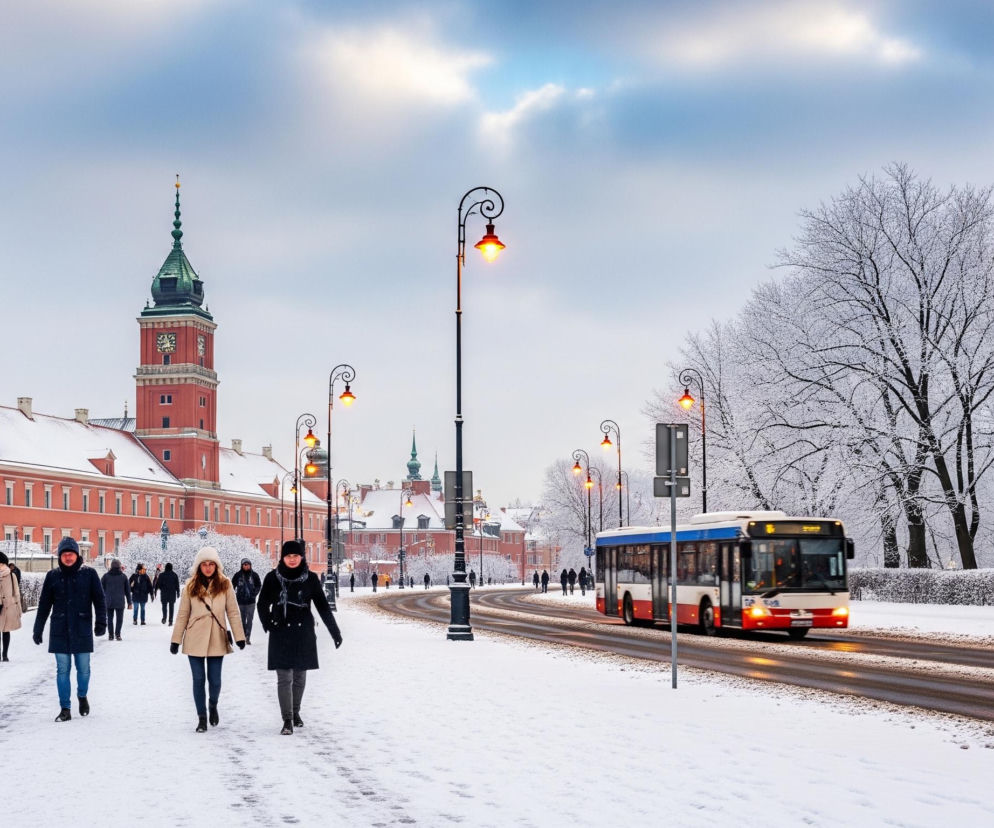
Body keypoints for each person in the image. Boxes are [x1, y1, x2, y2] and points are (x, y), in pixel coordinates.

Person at [257, 540, 343, 735]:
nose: (292, 559)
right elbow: (262, 604)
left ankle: (296, 713)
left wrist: (335, 632)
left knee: (299, 677)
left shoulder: (310, 579)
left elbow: (322, 606)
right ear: (283, 558)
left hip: (303, 631)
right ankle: (287, 719)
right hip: (281, 631)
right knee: (284, 677)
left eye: (296, 556)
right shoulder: (273, 578)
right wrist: (268, 623)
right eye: (289, 556)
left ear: (301, 557)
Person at [169, 547, 245, 733]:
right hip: (195, 636)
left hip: (217, 636)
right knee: (198, 679)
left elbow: (233, 612)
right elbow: (182, 615)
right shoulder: (190, 586)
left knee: (215, 680)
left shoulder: (225, 584)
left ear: (216, 565)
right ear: (199, 566)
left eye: (211, 564)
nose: (208, 567)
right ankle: (201, 717)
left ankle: (213, 704)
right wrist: (176, 640)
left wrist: (239, 636)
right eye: (204, 564)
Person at [32, 538, 107, 721]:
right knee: (62, 670)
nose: (67, 557)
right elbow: (44, 604)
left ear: (77, 555)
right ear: (60, 557)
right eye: (64, 554)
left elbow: (99, 600)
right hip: (60, 629)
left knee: (83, 669)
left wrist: (101, 623)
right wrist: (38, 628)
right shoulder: (52, 576)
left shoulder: (89, 574)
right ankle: (65, 708)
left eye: (70, 554)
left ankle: (82, 695)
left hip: (82, 628)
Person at [231, 558, 262, 645]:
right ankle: (244, 635)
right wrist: (234, 594)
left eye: (248, 564)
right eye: (245, 564)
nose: (246, 566)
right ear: (242, 565)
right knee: (242, 620)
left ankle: (248, 636)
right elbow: (231, 586)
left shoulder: (254, 575)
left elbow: (259, 585)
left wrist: (254, 594)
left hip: (251, 602)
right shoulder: (237, 575)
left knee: (249, 620)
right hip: (240, 602)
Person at [0, 551, 24, 662]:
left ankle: (4, 654)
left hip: (7, 607)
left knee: (5, 631)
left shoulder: (11, 575)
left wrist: (18, 608)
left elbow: (16, 592)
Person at [100, 559, 131, 641]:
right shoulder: (123, 577)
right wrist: (129, 602)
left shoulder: (106, 576)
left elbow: (100, 589)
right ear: (119, 566)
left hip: (108, 601)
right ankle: (118, 634)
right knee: (119, 619)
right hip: (120, 601)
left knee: (109, 619)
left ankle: (110, 635)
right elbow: (128, 591)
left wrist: (101, 601)